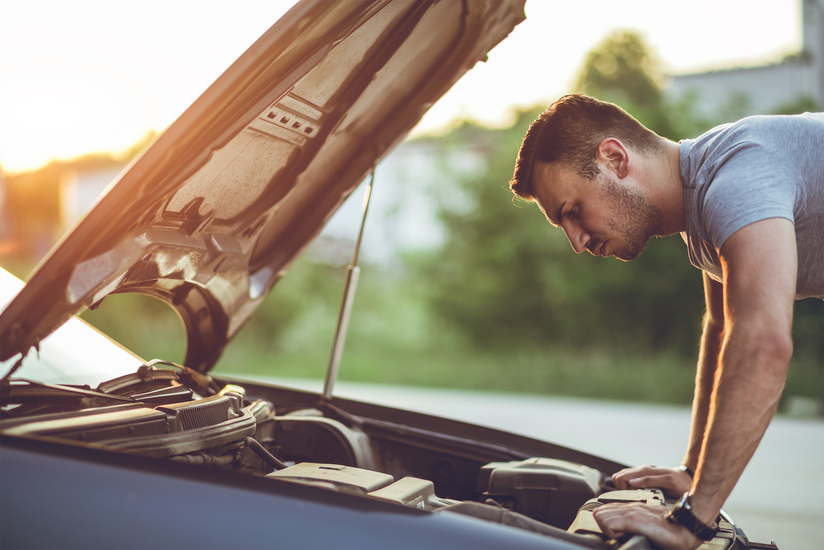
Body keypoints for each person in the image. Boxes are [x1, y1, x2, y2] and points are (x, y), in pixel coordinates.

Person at [508, 94, 823, 550]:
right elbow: (723, 329)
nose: (576, 242)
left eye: (572, 211)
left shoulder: (734, 179)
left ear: (615, 158)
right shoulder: (705, 197)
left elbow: (762, 344)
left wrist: (690, 522)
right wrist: (692, 472)